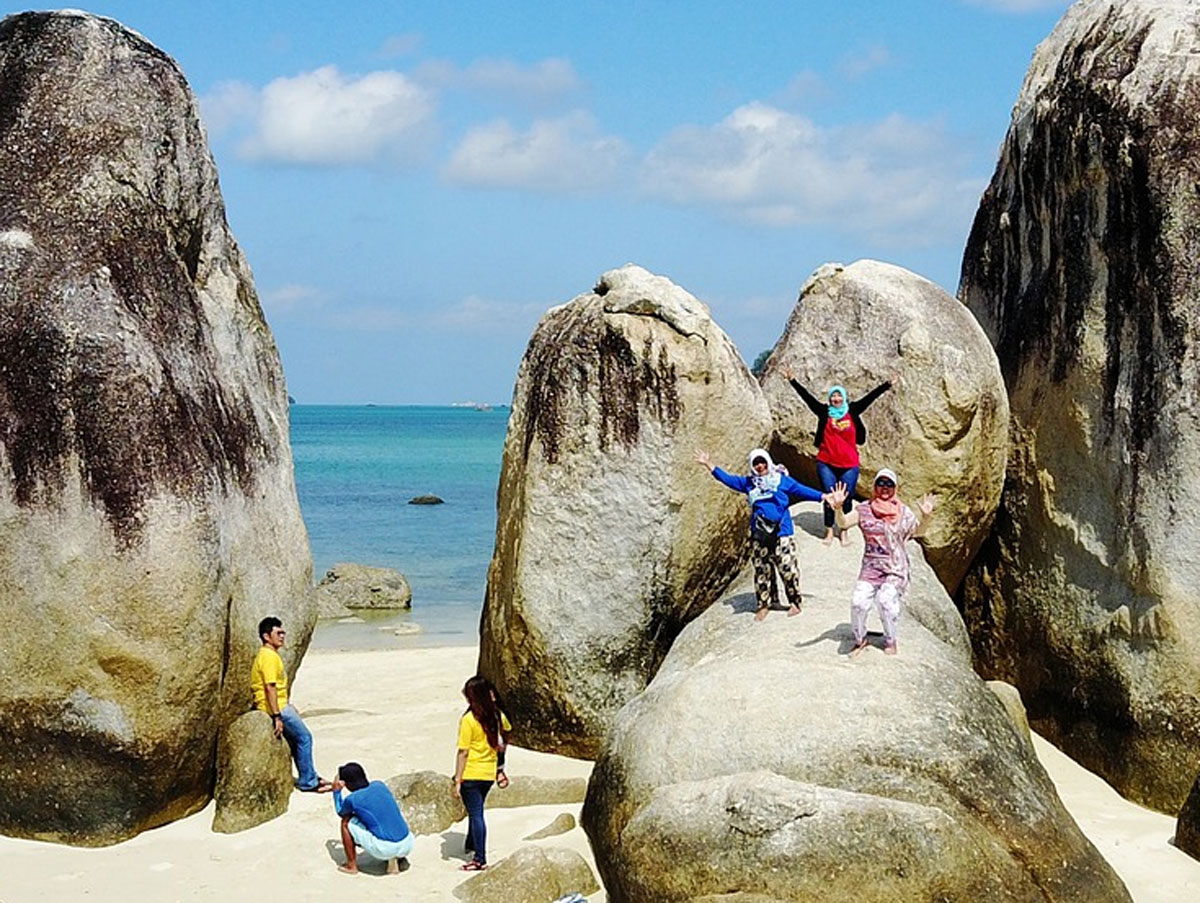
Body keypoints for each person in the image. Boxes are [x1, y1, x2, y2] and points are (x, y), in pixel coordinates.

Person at [695, 447, 826, 621]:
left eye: (762, 462)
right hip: (760, 533)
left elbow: (803, 490)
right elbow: (727, 479)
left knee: (787, 568)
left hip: (782, 531)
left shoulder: (782, 480)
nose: (760, 466)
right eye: (756, 463)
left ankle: (795, 601)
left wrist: (825, 497)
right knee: (762, 570)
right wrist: (708, 464)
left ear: (768, 462)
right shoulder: (748, 483)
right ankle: (765, 604)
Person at [827, 469, 935, 656]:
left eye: (889, 484)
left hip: (895, 567)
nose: (885, 488)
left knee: (886, 601)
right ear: (875, 486)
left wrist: (926, 517)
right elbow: (844, 523)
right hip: (871, 567)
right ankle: (860, 639)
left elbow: (919, 532)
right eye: (881, 483)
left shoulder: (903, 512)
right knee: (858, 603)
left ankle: (891, 640)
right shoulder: (864, 509)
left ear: (895, 488)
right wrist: (838, 508)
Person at [784, 366, 892, 546]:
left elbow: (870, 398)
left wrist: (887, 385)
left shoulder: (853, 411)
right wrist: (792, 380)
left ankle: (843, 531)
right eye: (833, 396)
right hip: (826, 462)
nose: (836, 399)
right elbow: (807, 399)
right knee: (830, 496)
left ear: (844, 397)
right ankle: (828, 531)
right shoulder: (824, 412)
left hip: (849, 464)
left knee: (847, 497)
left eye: (839, 396)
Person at [250, 616, 331, 792]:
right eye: (278, 633)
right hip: (275, 707)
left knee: (297, 740)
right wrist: (277, 715)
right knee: (305, 738)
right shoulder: (269, 657)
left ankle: (309, 775)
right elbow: (269, 687)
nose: (282, 636)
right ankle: (308, 782)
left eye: (283, 633)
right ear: (266, 636)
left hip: (280, 704)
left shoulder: (268, 655)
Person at [453, 675, 511, 871]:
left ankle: (479, 858)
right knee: (475, 810)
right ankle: (470, 844)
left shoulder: (468, 720)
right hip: (488, 774)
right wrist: (500, 768)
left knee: (476, 814)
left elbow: (463, 752)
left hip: (471, 773)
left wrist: (458, 779)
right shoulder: (497, 716)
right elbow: (506, 735)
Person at [331, 762, 413, 875]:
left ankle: (351, 866)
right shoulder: (379, 785)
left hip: (385, 849)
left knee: (346, 822)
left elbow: (341, 812)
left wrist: (336, 792)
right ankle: (397, 859)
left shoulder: (353, 799)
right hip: (407, 843)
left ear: (345, 784)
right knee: (382, 817)